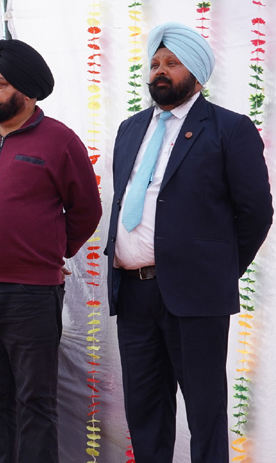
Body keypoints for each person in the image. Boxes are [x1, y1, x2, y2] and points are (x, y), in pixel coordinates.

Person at [105, 23, 272, 463]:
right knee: (145, 414)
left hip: (197, 295)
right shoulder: (130, 129)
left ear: (196, 73)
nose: (160, 71)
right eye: (155, 63)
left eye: (172, 63)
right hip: (134, 293)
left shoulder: (229, 128)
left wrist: (216, 270)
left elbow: (256, 212)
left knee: (205, 412)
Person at [0, 39, 102, 463]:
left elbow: (87, 210)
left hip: (30, 293)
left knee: (35, 402)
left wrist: (49, 251)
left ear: (27, 91)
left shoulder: (60, 140)